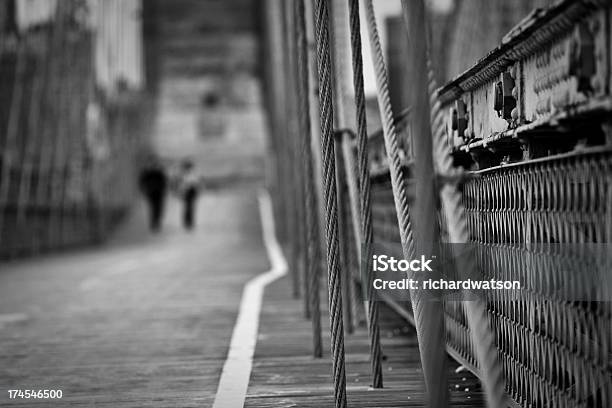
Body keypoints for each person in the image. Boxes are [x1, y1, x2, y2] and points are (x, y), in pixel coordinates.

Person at [139, 157, 168, 232]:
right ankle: (153, 223)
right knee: (153, 207)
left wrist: (164, 189)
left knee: (158, 208)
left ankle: (157, 222)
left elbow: (164, 181)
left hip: (159, 192)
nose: (153, 164)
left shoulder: (159, 171)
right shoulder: (147, 172)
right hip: (151, 192)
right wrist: (143, 190)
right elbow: (142, 182)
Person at [178, 160, 200, 230]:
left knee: (190, 207)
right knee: (187, 207)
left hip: (192, 191)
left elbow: (197, 183)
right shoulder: (183, 174)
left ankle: (190, 222)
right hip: (186, 191)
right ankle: (187, 222)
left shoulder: (194, 173)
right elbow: (181, 184)